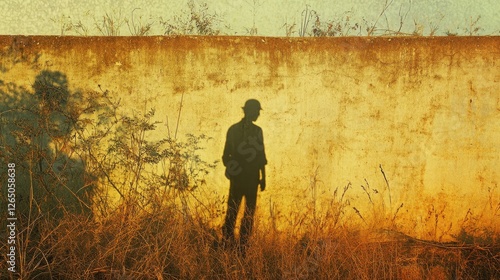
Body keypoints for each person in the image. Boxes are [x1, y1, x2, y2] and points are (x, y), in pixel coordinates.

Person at [221, 99, 267, 252]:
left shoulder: (235, 129)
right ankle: (235, 245)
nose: (259, 114)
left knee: (238, 212)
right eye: (257, 111)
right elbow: (260, 156)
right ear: (250, 111)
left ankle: (238, 245)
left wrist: (263, 177)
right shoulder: (248, 131)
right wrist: (262, 177)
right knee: (241, 212)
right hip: (246, 178)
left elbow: (260, 155)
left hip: (246, 178)